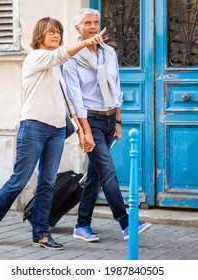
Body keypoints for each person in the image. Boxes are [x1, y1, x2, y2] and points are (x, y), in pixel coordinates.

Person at [0, 17, 107, 250]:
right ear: (40, 34)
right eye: (51, 31)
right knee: (19, 180)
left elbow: (68, 100)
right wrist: (86, 42)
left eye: (59, 32)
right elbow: (60, 54)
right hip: (33, 127)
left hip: (57, 129)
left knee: (48, 183)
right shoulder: (36, 58)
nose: (57, 35)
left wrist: (81, 130)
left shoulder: (57, 67)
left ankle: (40, 234)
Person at [63, 8, 152, 242]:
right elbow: (75, 99)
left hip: (109, 118)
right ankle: (126, 223)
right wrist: (85, 132)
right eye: (87, 23)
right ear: (78, 29)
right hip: (90, 119)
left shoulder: (109, 52)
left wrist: (118, 121)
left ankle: (82, 225)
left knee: (95, 176)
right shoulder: (71, 59)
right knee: (108, 171)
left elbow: (116, 86)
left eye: (95, 22)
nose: (93, 27)